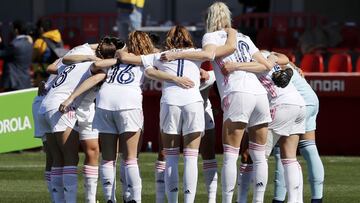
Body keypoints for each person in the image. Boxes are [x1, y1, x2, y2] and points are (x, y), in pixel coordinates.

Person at [160, 2, 276, 202]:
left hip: (237, 93)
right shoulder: (245, 38)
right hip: (259, 96)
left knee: (231, 155)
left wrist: (175, 53)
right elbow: (266, 65)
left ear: (209, 19)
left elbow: (208, 55)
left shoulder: (211, 37)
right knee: (259, 156)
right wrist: (237, 66)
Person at [60, 31, 194, 203]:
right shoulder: (149, 58)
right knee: (130, 158)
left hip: (105, 102)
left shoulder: (118, 57)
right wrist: (176, 79)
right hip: (128, 103)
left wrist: (118, 57)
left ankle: (110, 198)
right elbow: (157, 69)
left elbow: (94, 66)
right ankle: (135, 199)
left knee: (108, 157)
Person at [37, 38, 116, 203]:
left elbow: (54, 66)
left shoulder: (76, 59)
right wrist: (70, 99)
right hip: (61, 106)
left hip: (45, 105)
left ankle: (60, 201)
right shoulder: (96, 67)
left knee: (57, 157)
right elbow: (94, 77)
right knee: (70, 157)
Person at [224, 50, 306, 203]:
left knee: (254, 156)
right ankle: (295, 200)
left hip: (280, 104)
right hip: (298, 104)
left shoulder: (250, 62)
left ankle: (243, 200)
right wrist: (273, 57)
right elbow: (285, 58)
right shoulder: (264, 54)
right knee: (289, 157)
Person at [272, 60, 324, 203]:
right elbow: (283, 58)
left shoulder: (263, 57)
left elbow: (279, 58)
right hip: (311, 98)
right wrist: (293, 66)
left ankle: (278, 199)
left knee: (283, 152)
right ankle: (317, 199)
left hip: (299, 101)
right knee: (309, 149)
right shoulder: (271, 58)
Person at [0, 20, 33, 91]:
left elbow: (2, 54)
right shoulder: (29, 43)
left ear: (16, 30)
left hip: (14, 82)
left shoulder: (14, 45)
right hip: (25, 81)